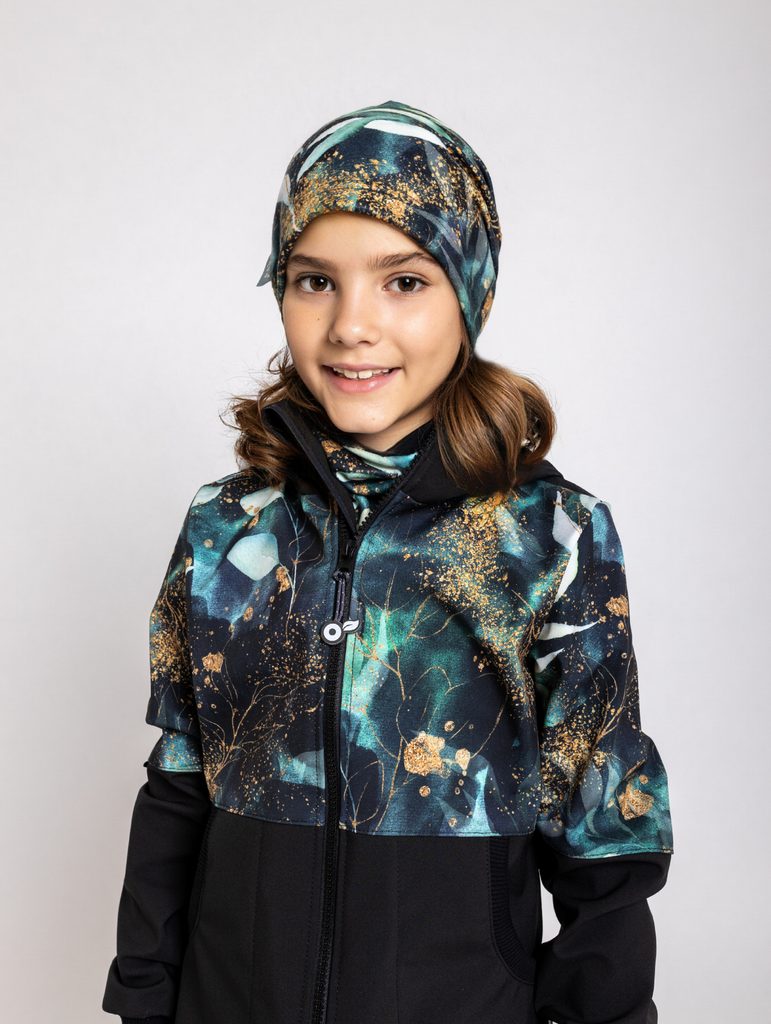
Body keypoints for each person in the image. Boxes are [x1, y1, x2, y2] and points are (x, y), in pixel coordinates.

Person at [102, 98, 674, 1024]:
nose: (350, 326)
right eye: (313, 280)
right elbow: (177, 783)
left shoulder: (550, 536)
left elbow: (602, 822)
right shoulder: (227, 527)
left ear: (469, 295)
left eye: (403, 281)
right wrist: (142, 999)